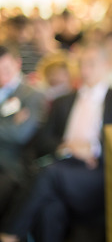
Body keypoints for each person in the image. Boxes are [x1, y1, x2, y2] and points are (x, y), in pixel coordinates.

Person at [0, 44, 112, 242]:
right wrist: (65, 146)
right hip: (64, 163)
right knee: (50, 207)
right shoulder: (64, 101)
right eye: (82, 64)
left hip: (98, 171)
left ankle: (9, 233)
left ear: (106, 65)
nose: (85, 70)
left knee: (48, 174)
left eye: (91, 64)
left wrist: (93, 149)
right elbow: (43, 141)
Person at [0, 46, 45, 229]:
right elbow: (12, 130)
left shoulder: (32, 95)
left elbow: (21, 134)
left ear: (18, 63)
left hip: (12, 164)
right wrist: (9, 126)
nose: (2, 76)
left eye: (6, 70)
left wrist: (13, 128)